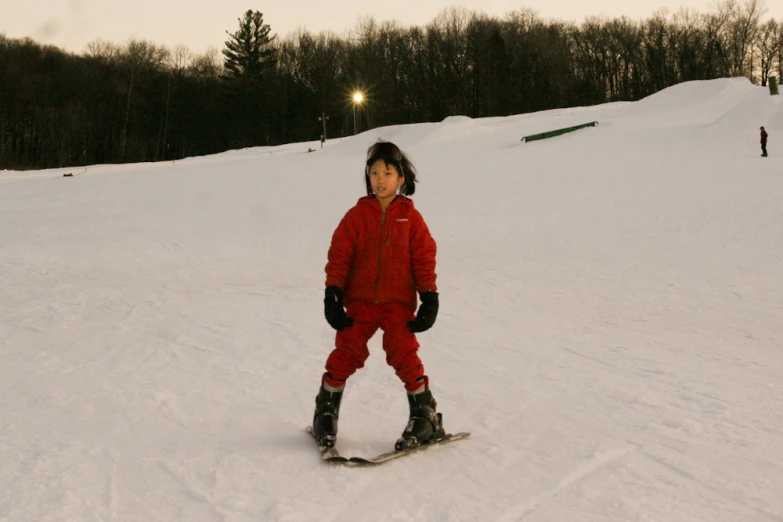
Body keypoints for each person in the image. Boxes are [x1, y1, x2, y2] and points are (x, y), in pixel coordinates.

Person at [312, 140, 444, 450]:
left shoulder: (411, 219)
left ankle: (425, 416)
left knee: (403, 352)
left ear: (401, 178)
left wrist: (429, 296)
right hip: (359, 302)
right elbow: (340, 256)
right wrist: (333, 293)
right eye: (373, 173)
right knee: (347, 351)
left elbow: (424, 259)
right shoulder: (356, 216)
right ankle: (326, 410)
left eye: (387, 173)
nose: (380, 179)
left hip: (397, 304)